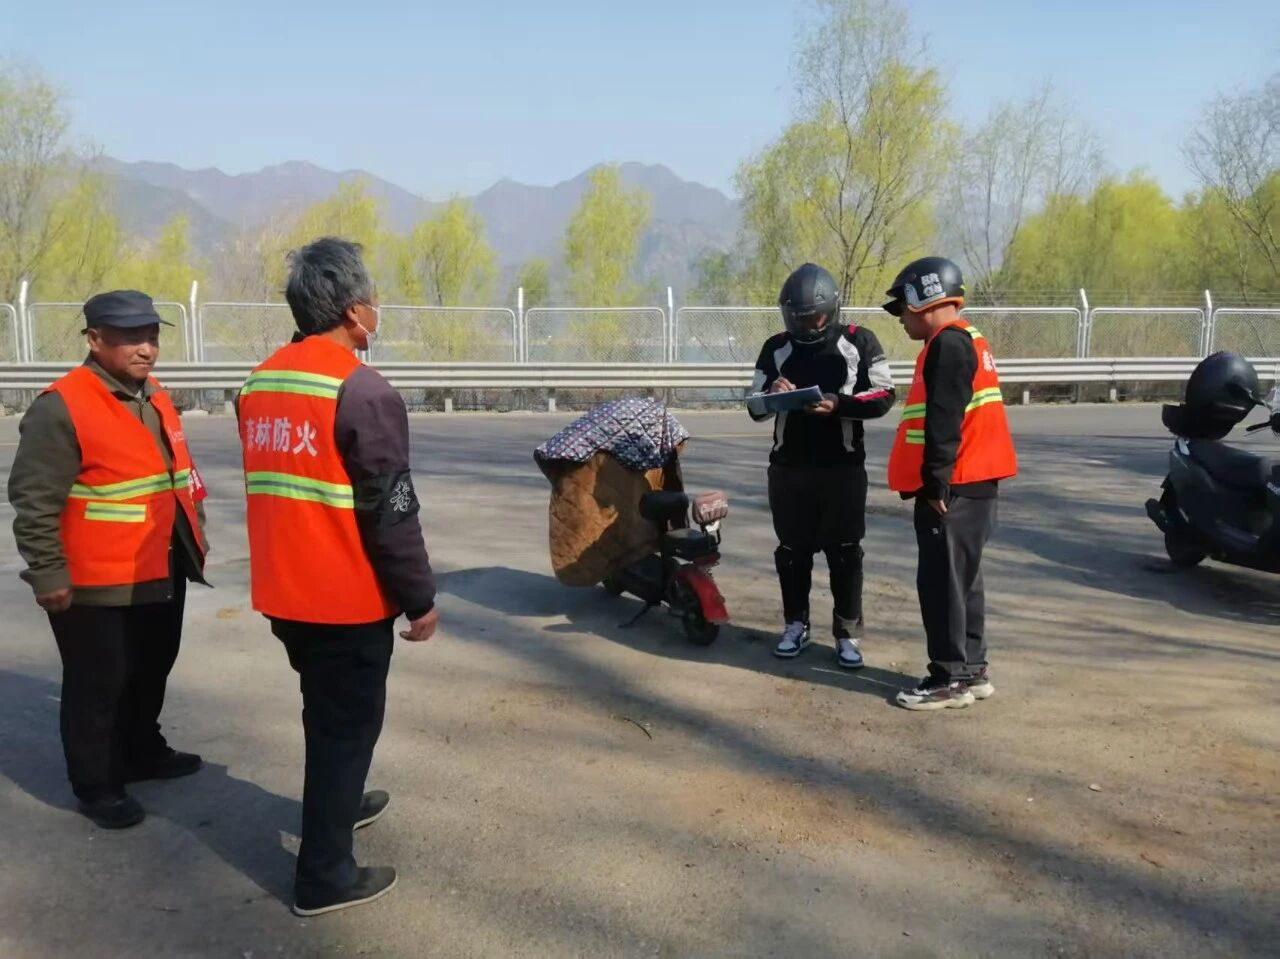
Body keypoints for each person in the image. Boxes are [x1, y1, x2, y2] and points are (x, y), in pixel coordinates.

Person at [238, 236, 439, 916]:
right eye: (374, 301)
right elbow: (392, 510)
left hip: (284, 590)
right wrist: (420, 598)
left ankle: (341, 803)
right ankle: (324, 876)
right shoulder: (361, 389)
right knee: (345, 728)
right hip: (342, 598)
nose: (378, 311)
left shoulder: (261, 381)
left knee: (326, 713)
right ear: (355, 311)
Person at [8, 290, 208, 829]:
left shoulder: (153, 394)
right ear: (95, 340)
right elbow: (34, 501)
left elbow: (173, 476)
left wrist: (194, 536)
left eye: (153, 336)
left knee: (151, 669)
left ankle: (142, 750)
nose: (146, 349)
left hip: (160, 565)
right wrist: (48, 573)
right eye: (130, 338)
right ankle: (96, 785)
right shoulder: (61, 406)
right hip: (95, 580)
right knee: (98, 685)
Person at [882, 256, 1017, 710]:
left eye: (902, 308)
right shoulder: (967, 339)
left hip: (953, 487)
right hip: (973, 484)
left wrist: (936, 483)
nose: (900, 318)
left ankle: (949, 679)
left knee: (942, 585)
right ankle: (972, 671)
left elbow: (944, 419)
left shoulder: (948, 345)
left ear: (923, 298)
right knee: (963, 583)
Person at [747, 263, 896, 667]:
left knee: (845, 552)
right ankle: (795, 625)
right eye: (796, 318)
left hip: (842, 468)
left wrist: (838, 404)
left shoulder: (859, 340)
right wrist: (772, 393)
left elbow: (884, 395)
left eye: (813, 317)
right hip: (788, 468)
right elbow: (754, 406)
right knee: (792, 552)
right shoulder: (775, 347)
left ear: (831, 310)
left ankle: (847, 634)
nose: (804, 325)